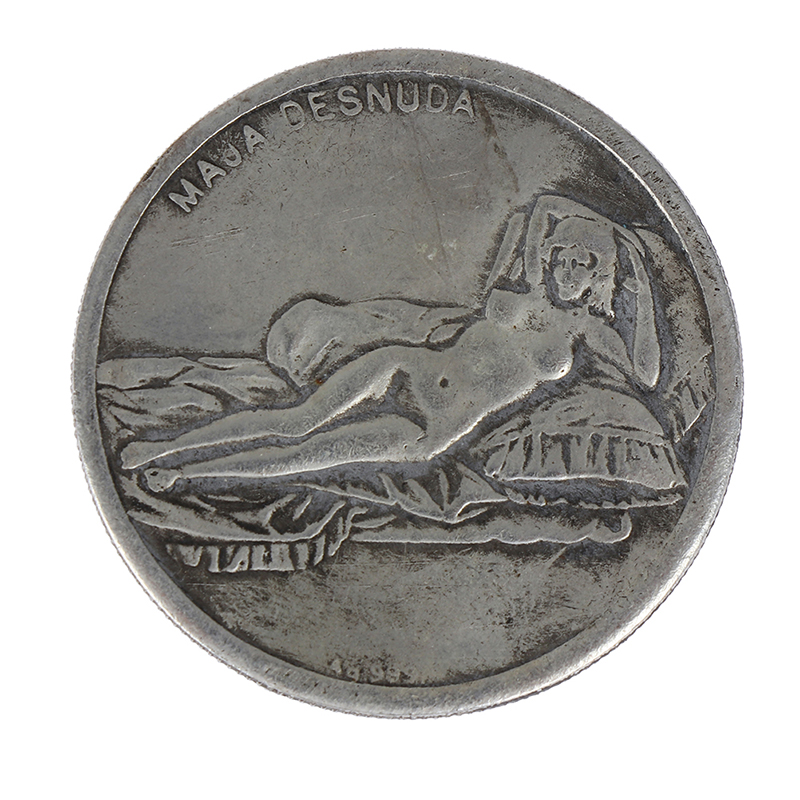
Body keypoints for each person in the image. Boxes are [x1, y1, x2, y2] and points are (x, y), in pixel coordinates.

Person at [120, 196, 660, 493]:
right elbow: (543, 208)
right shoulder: (521, 287)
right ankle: (160, 447)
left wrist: (637, 267)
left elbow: (648, 375)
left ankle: (185, 473)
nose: (568, 270)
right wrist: (603, 228)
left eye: (583, 264)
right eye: (563, 257)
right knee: (295, 420)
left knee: (304, 456)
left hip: (433, 426)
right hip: (407, 367)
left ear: (598, 275)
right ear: (550, 256)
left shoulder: (586, 332)